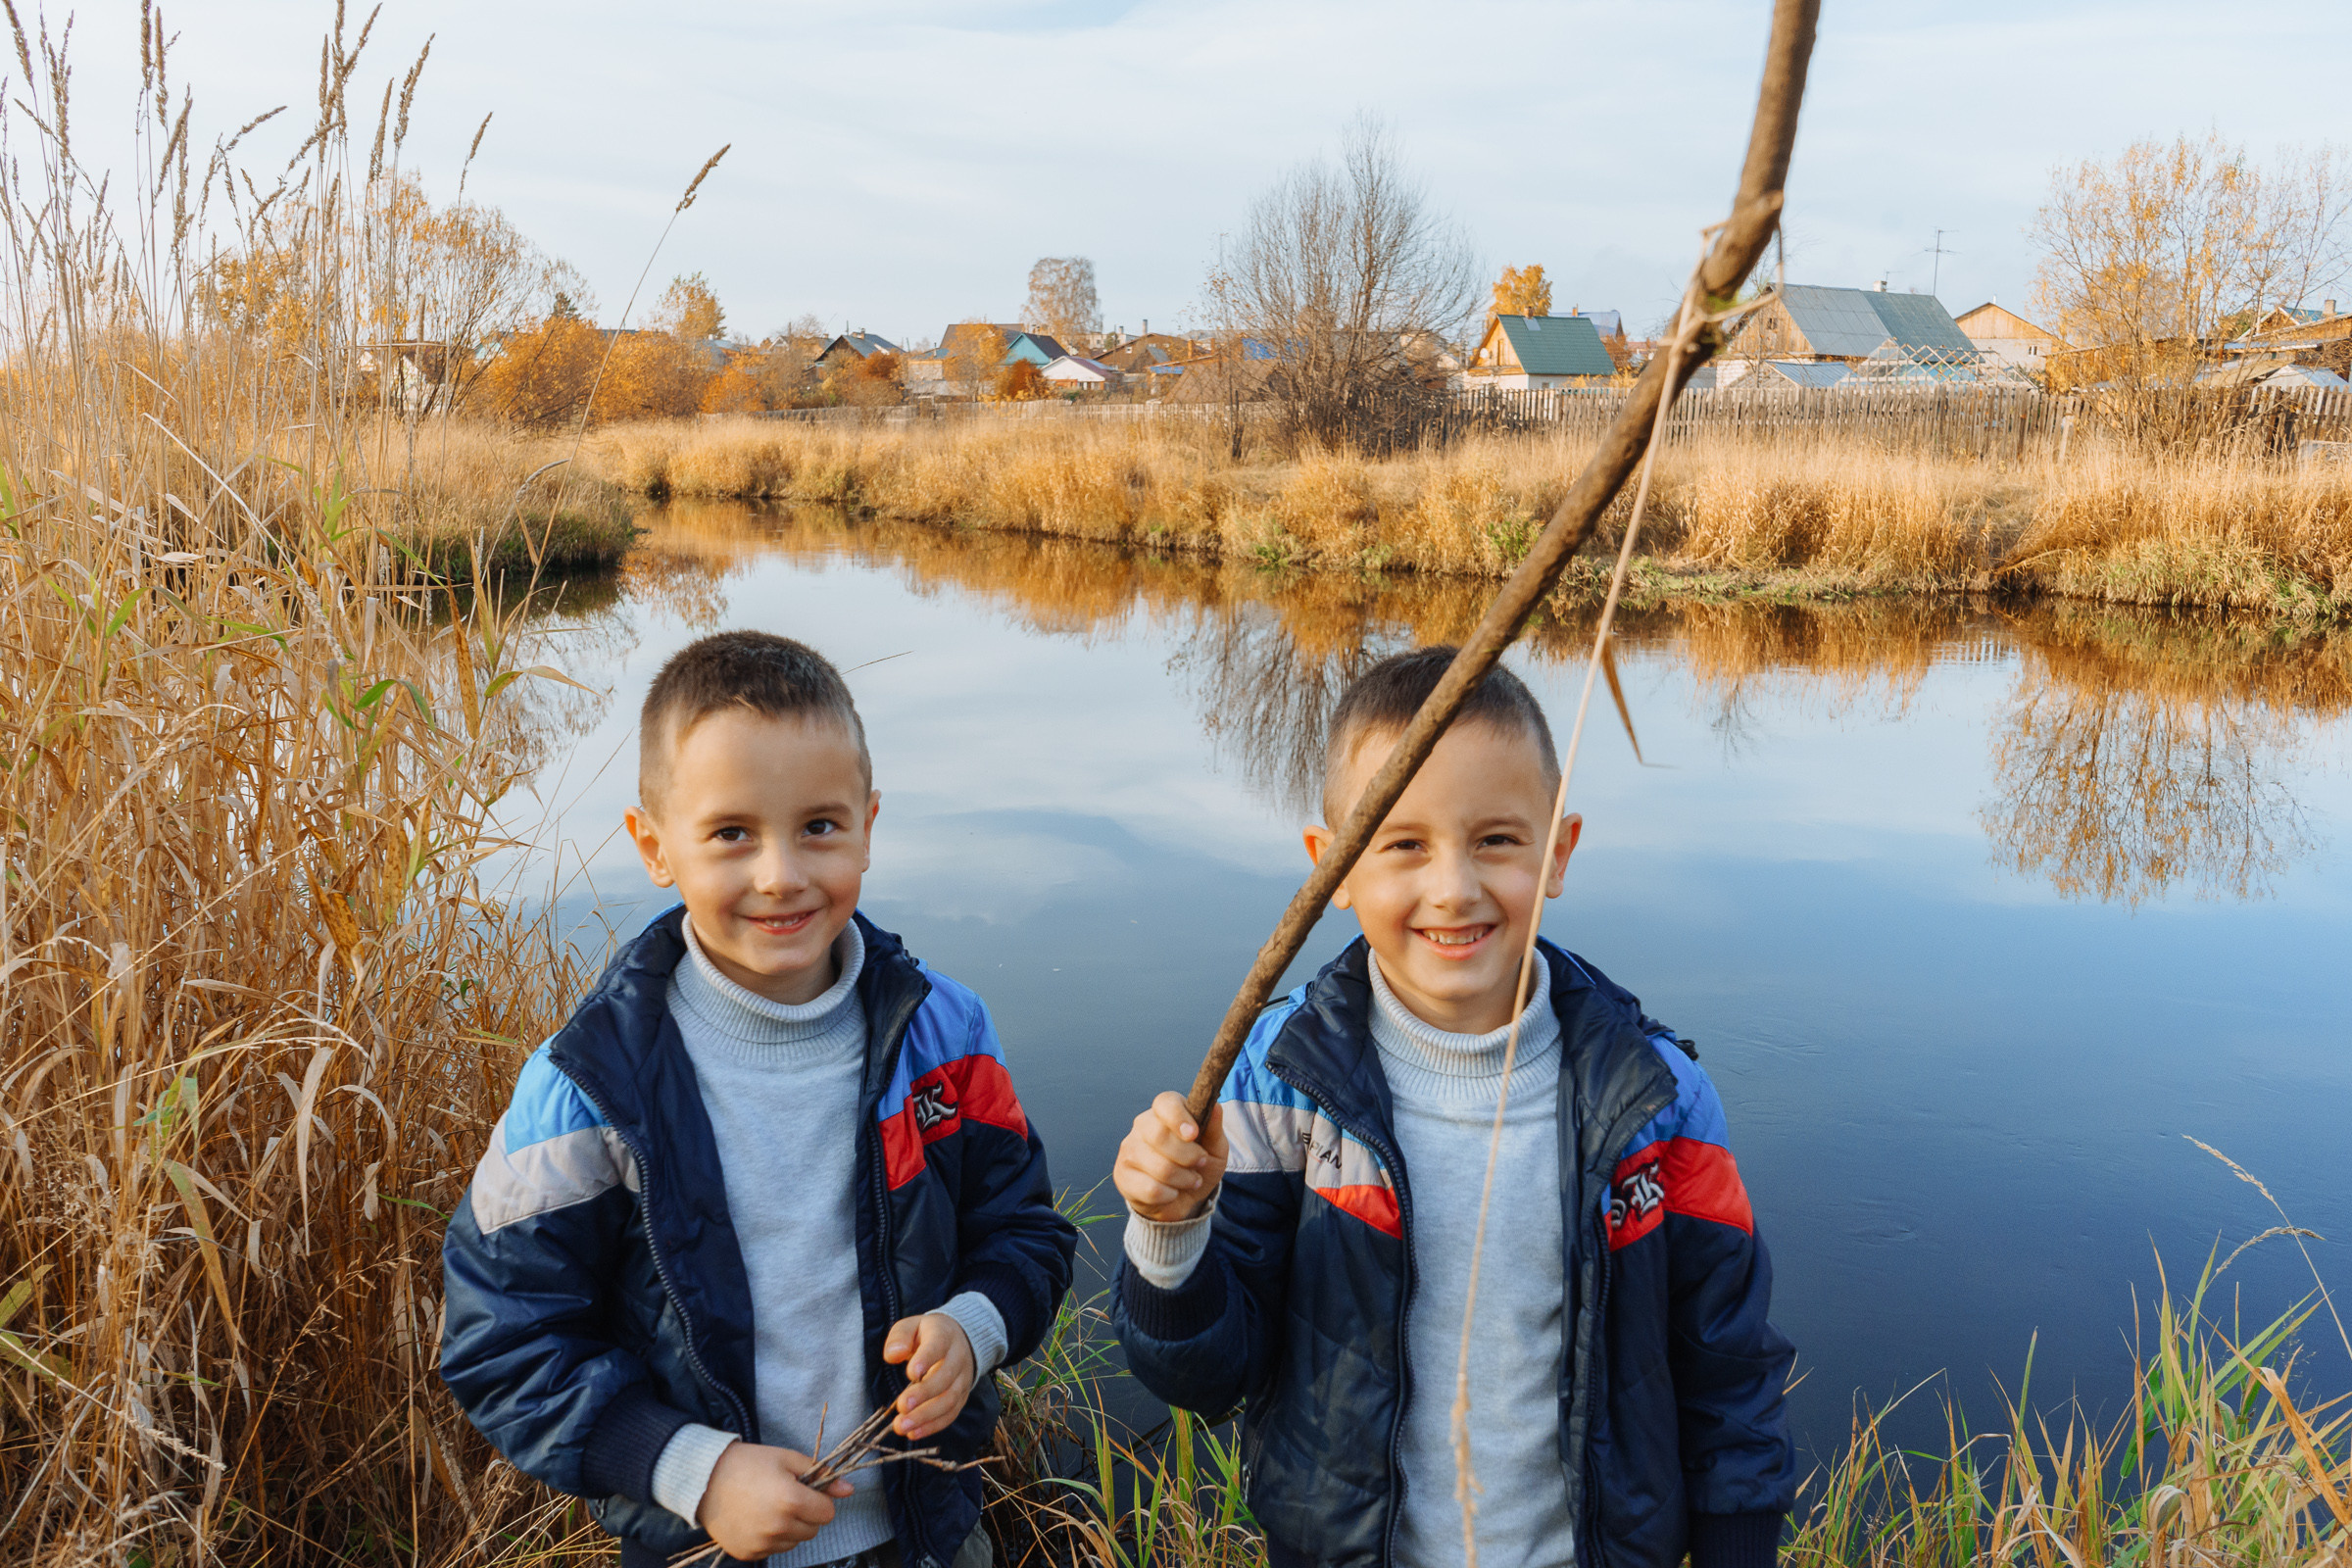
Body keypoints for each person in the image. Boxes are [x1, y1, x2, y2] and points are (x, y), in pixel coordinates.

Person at [1111, 646, 1795, 1568]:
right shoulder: (1279, 1089)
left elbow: (1730, 1378)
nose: (1454, 888)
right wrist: (1168, 1233)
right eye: (1402, 844)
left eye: (1497, 840)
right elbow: (1202, 1378)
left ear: (1557, 852)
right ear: (1332, 872)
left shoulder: (1658, 1100)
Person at [442, 631, 1076, 1568]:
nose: (780, 873)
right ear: (655, 846)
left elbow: (1026, 1232)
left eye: (819, 826)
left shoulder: (945, 1033)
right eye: (733, 833)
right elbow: (503, 1339)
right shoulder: (589, 1087)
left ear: (868, 823)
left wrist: (975, 1327)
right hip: (707, 1546)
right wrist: (690, 1468)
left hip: (929, 1534)